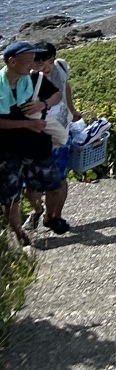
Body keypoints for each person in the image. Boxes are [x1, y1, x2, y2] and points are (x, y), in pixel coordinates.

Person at [1, 41, 51, 248]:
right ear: (12, 61)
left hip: (25, 143)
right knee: (9, 195)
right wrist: (27, 123)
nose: (33, 64)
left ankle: (30, 219)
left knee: (33, 185)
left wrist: (43, 106)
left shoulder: (25, 81)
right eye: (28, 60)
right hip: (4, 148)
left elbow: (57, 92)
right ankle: (18, 232)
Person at [24, 44, 74, 236]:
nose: (47, 66)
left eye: (50, 61)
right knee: (32, 183)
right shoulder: (26, 81)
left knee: (60, 178)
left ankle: (55, 217)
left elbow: (65, 87)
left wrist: (72, 110)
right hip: (35, 135)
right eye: (41, 62)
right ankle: (37, 210)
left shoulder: (61, 67)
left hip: (60, 131)